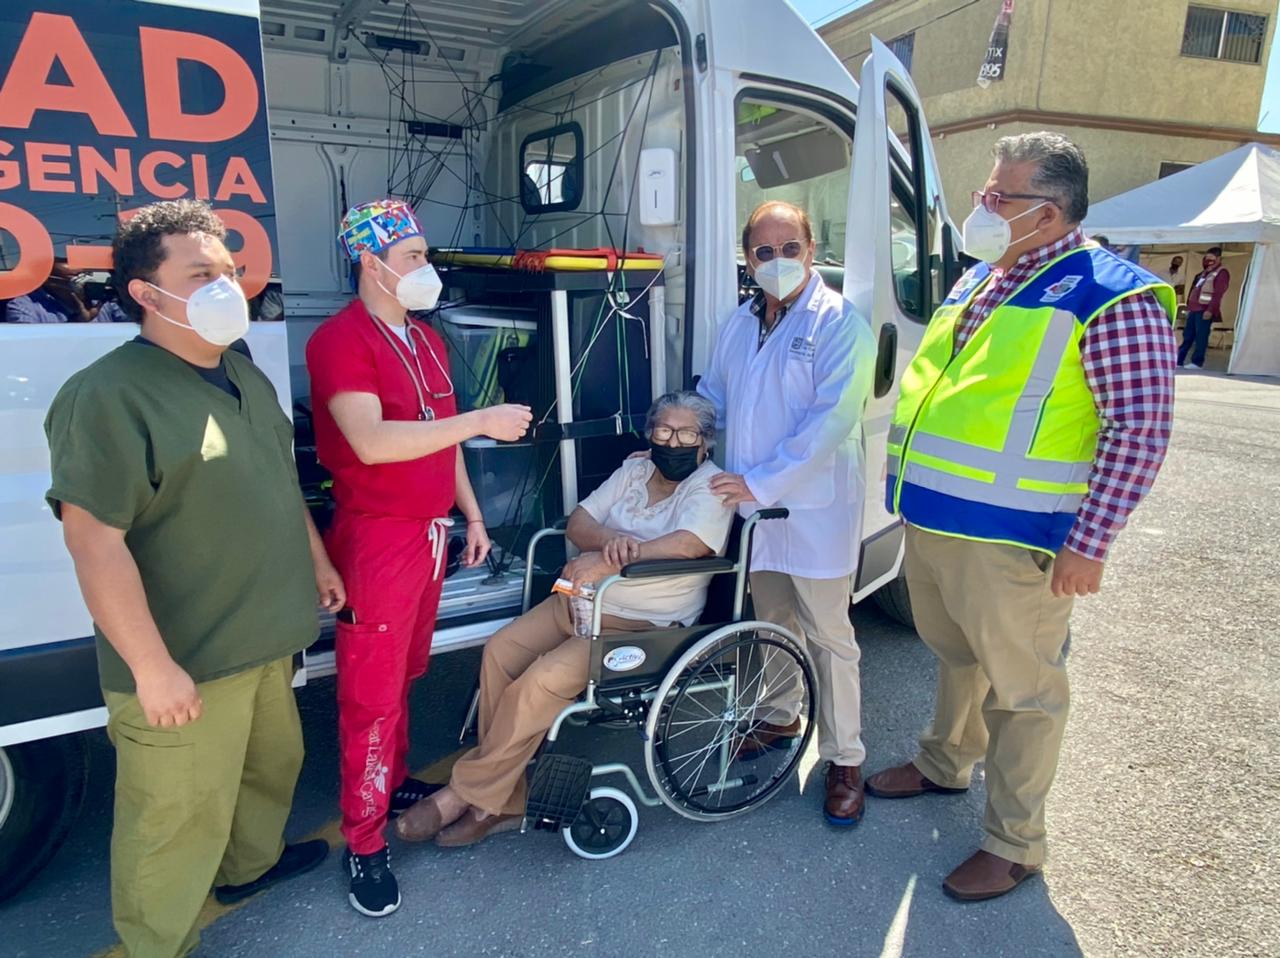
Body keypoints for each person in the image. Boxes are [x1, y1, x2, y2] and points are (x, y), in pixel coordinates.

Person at [867, 132, 1176, 901]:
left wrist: (1090, 543)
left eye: (999, 197)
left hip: (1015, 537)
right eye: (985, 192)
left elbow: (1138, 430)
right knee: (957, 657)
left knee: (1025, 692)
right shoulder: (984, 276)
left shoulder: (1111, 294)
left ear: (1050, 212)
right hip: (936, 520)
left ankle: (1015, 844)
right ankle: (945, 762)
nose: (982, 206)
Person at [44, 200, 341, 958]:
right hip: (187, 660)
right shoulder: (108, 394)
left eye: (231, 272)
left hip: (265, 638)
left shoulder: (243, 372)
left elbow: (278, 481)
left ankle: (250, 867)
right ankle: (159, 945)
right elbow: (93, 543)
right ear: (145, 293)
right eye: (201, 274)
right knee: (173, 820)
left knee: (269, 770)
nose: (226, 287)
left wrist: (316, 560)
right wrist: (152, 668)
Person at [305, 199, 532, 918]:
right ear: (370, 263)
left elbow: (442, 436)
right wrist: (484, 418)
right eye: (412, 257)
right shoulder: (341, 341)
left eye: (424, 255)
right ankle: (365, 841)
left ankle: (393, 780)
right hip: (377, 538)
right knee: (369, 698)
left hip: (429, 535)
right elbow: (372, 442)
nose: (426, 268)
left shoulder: (427, 339)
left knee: (401, 678)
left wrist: (472, 514)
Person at [395, 391, 734, 846]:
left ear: (705, 442)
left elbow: (690, 544)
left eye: (687, 434)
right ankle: (503, 797)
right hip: (579, 601)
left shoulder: (711, 486)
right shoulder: (634, 470)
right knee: (501, 651)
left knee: (540, 681)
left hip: (643, 624)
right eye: (664, 430)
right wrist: (611, 543)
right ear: (650, 433)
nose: (673, 442)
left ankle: (466, 795)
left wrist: (614, 561)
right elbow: (579, 522)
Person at [697, 199, 876, 828]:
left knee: (829, 634)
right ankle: (779, 716)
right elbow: (715, 395)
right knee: (772, 619)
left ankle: (845, 758)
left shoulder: (840, 323)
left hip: (812, 508)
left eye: (790, 248)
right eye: (765, 251)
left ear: (811, 249)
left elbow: (831, 422)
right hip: (754, 509)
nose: (778, 260)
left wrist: (759, 483)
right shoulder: (739, 322)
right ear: (748, 259)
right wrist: (682, 431)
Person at [1178, 247, 1230, 369]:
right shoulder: (1204, 272)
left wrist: (1210, 310)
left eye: (1212, 258)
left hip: (1204, 310)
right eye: (1207, 258)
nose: (1208, 260)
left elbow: (1218, 294)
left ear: (1219, 258)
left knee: (1201, 337)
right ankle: (1179, 360)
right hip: (1194, 309)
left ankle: (1197, 362)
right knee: (1187, 336)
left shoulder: (1221, 272)